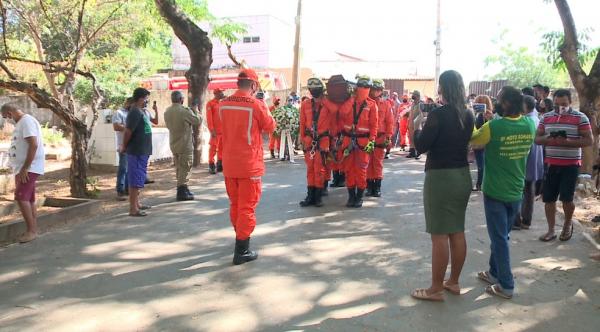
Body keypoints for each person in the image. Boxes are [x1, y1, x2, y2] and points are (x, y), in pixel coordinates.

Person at [410, 70, 474, 302]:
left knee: (439, 234)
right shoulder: (468, 114)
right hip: (462, 176)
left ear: (443, 89)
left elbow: (421, 146)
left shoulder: (438, 114)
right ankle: (453, 282)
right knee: (457, 230)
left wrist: (415, 126)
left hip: (440, 177)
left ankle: (435, 288)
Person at [471, 86, 536, 299]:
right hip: (516, 190)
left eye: (499, 99)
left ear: (506, 103)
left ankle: (506, 284)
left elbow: (475, 141)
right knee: (502, 235)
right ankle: (494, 272)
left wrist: (475, 117)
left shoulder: (493, 126)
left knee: (499, 238)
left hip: (495, 192)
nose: (495, 101)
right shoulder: (529, 124)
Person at [219, 68, 276, 265]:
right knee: (247, 207)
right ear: (253, 85)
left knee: (235, 204)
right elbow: (270, 127)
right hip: (249, 165)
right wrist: (265, 105)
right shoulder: (256, 104)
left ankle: (239, 238)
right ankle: (241, 250)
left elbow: (220, 130)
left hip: (229, 163)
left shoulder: (222, 104)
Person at [536, 89, 593, 242]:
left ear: (570, 102)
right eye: (557, 104)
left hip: (571, 165)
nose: (561, 107)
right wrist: (549, 138)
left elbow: (589, 140)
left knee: (567, 199)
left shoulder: (580, 118)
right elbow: (537, 139)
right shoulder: (546, 117)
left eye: (564, 104)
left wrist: (568, 143)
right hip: (550, 164)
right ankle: (551, 230)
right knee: (548, 199)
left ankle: (567, 224)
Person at [1, 104, 45, 243]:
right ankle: (34, 229)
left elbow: (33, 144)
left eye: (5, 117)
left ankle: (31, 231)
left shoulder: (26, 121)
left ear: (9, 113)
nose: (7, 120)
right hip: (22, 167)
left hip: (29, 168)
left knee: (21, 197)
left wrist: (25, 168)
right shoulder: (22, 123)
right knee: (29, 198)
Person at [338, 75, 378, 208]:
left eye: (366, 87)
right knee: (349, 170)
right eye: (361, 86)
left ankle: (359, 197)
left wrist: (372, 141)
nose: (363, 89)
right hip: (349, 140)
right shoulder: (350, 102)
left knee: (361, 170)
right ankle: (351, 197)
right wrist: (352, 99)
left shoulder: (372, 105)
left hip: (363, 142)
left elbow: (374, 125)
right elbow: (342, 113)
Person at [299, 78, 332, 207]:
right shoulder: (306, 104)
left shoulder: (328, 104)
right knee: (310, 170)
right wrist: (302, 140)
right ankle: (310, 196)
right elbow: (302, 123)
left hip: (323, 141)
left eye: (316, 90)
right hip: (309, 141)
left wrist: (324, 101)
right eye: (311, 90)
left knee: (319, 170)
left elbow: (338, 112)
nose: (313, 92)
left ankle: (318, 197)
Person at [513, 96, 544, 230]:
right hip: (533, 158)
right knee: (529, 190)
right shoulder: (535, 118)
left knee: (520, 189)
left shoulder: (527, 120)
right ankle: (526, 220)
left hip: (526, 158)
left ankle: (517, 220)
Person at [121, 88, 153, 217]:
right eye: (146, 99)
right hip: (136, 151)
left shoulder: (141, 111)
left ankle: (137, 204)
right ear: (140, 98)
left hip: (142, 151)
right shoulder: (134, 112)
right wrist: (124, 145)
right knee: (135, 180)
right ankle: (133, 209)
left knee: (139, 179)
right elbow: (128, 131)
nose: (147, 101)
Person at [164, 90, 201, 201]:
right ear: (181, 99)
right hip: (185, 144)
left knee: (179, 167)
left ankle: (183, 188)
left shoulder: (167, 111)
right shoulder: (184, 111)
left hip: (174, 143)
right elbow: (197, 121)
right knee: (185, 167)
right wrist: (196, 110)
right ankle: (181, 191)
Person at [366, 79, 393, 197]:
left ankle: (377, 188)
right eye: (373, 89)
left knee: (377, 163)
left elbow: (390, 122)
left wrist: (388, 137)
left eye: (377, 89)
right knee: (367, 163)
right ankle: (369, 187)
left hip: (380, 138)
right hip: (366, 138)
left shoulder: (386, 104)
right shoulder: (366, 103)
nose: (375, 92)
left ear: (381, 91)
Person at [472, 95, 494, 191]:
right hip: (486, 143)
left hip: (481, 143)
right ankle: (481, 184)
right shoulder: (490, 114)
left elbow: (478, 128)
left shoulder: (483, 115)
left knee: (481, 166)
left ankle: (480, 184)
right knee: (484, 165)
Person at [113, 98, 131, 201]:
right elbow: (116, 126)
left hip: (131, 145)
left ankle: (127, 189)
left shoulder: (132, 113)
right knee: (123, 168)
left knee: (129, 168)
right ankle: (120, 190)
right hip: (122, 144)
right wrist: (128, 129)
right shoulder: (119, 113)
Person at [206, 88, 225, 174]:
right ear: (216, 93)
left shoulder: (223, 103)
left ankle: (220, 164)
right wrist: (211, 130)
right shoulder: (210, 104)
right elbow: (209, 118)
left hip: (224, 130)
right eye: (221, 92)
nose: (223, 93)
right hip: (215, 131)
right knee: (213, 148)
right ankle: (211, 164)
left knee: (222, 148)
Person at [406, 91, 423, 159]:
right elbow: (411, 113)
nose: (413, 96)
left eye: (414, 95)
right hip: (411, 124)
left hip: (417, 125)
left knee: (417, 139)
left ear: (418, 96)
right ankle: (412, 152)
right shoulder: (413, 104)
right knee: (411, 138)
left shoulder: (421, 104)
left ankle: (419, 153)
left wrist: (416, 122)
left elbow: (422, 114)